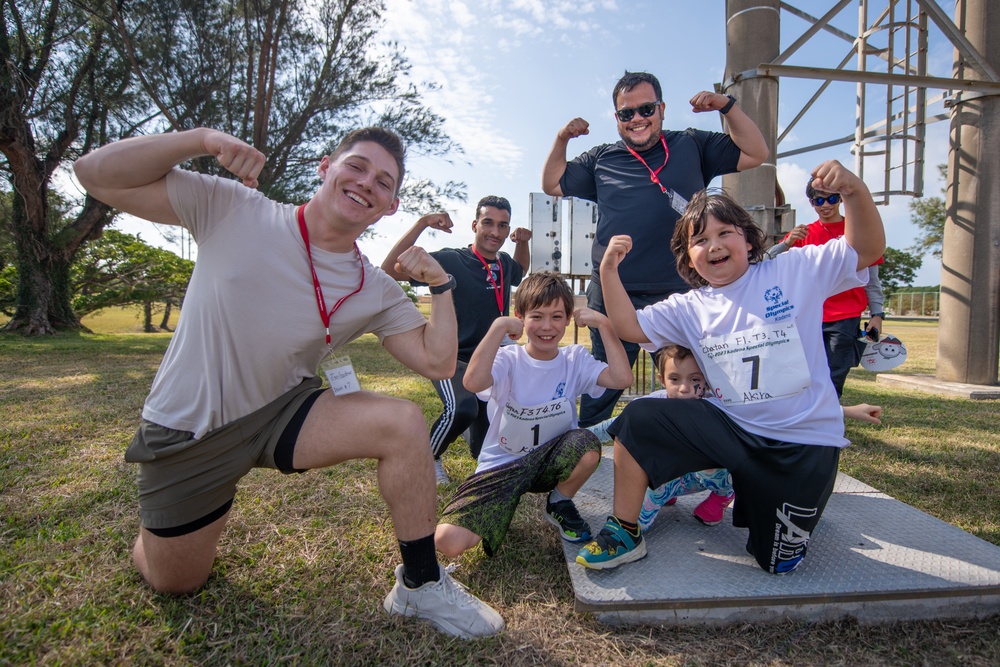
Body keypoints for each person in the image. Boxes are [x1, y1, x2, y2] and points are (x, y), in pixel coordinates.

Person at [73, 126, 504, 639]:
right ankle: (165, 528)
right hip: (189, 427)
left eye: (384, 182)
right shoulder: (234, 207)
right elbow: (93, 174)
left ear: (389, 206)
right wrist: (202, 139)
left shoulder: (374, 286)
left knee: (404, 420)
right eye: (357, 166)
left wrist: (441, 284)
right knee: (177, 581)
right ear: (325, 167)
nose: (367, 183)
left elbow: (436, 362)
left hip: (283, 411)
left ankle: (420, 583)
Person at [575, 160, 885, 575]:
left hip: (802, 443)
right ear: (688, 257)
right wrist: (608, 271)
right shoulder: (691, 306)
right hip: (732, 433)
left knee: (776, 563)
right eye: (700, 239)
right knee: (641, 416)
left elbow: (866, 249)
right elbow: (630, 327)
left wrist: (853, 189)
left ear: (748, 238)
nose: (714, 244)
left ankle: (771, 502)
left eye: (725, 232)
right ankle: (625, 530)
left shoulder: (794, 269)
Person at [541, 70, 769, 427]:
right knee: (606, 377)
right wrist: (561, 138)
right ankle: (583, 441)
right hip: (616, 291)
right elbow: (552, 183)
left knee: (689, 373)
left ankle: (693, 438)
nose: (637, 119)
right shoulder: (603, 158)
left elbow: (756, 152)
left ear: (662, 108)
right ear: (616, 118)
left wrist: (727, 106)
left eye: (645, 109)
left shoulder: (692, 145)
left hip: (680, 292)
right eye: (626, 113)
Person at [434, 271, 634, 559]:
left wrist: (604, 324)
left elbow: (620, 378)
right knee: (449, 541)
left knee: (586, 445)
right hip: (502, 464)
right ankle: (505, 500)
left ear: (567, 320)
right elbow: (473, 383)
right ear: (521, 318)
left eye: (556, 317)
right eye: (537, 316)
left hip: (550, 461)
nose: (547, 327)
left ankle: (560, 502)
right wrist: (498, 327)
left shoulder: (574, 359)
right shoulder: (509, 358)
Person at [589, 346, 884, 531]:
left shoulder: (722, 404)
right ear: (662, 378)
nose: (684, 388)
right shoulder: (654, 403)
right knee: (641, 515)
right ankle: (665, 494)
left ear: (707, 380)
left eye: (695, 380)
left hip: (715, 476)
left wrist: (848, 411)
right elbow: (617, 426)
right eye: (674, 379)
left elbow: (784, 411)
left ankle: (719, 500)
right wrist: (585, 434)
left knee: (742, 471)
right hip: (669, 476)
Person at [381, 198, 531, 484]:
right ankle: (428, 457)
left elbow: (519, 270)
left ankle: (474, 430)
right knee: (461, 409)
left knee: (484, 451)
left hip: (490, 360)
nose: (495, 233)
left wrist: (522, 241)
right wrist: (422, 223)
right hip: (452, 358)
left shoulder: (503, 263)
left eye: (503, 226)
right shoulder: (451, 259)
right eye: (488, 223)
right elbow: (391, 269)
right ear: (474, 225)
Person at [764, 181, 886, 396]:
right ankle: (804, 417)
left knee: (835, 372)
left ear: (840, 199)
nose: (826, 205)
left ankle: (828, 419)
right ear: (811, 203)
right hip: (808, 315)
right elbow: (765, 264)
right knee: (802, 372)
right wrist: (786, 243)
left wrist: (877, 315)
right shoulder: (803, 234)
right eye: (819, 200)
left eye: (831, 198)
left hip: (845, 316)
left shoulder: (857, 233)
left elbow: (873, 280)